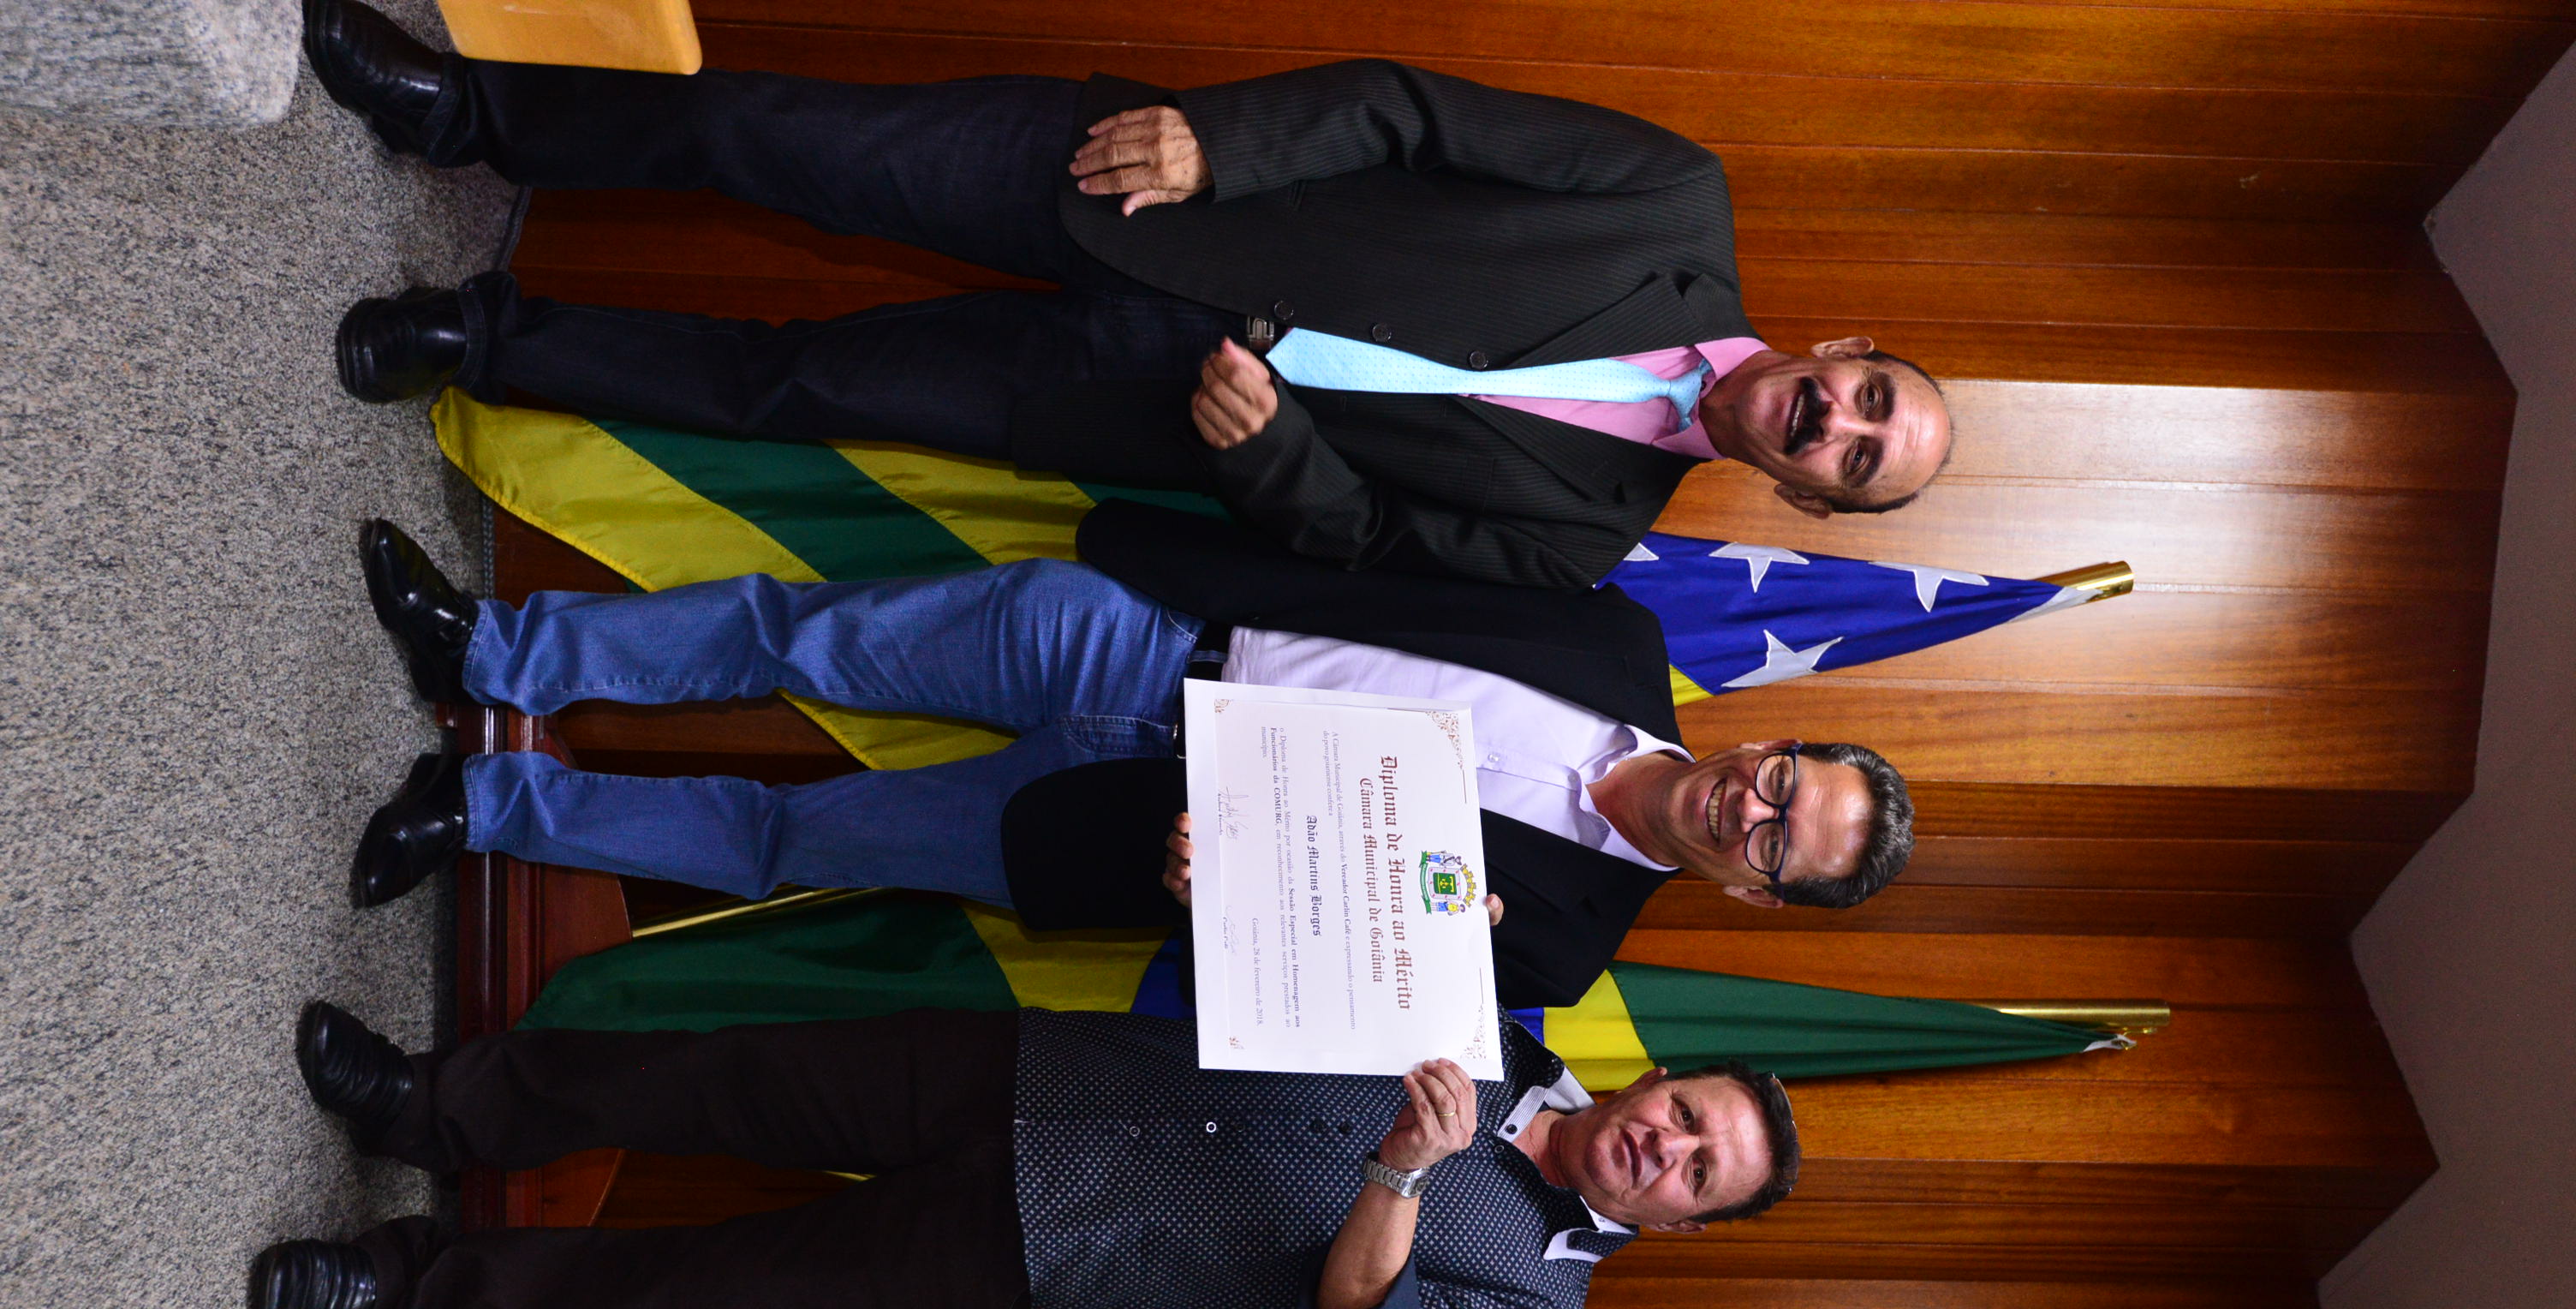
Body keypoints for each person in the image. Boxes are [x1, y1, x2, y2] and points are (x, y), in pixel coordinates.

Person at [301, 0, 1953, 589]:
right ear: (1851, 349)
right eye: (1872, 395)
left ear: (1813, 499)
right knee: (776, 135)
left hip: (1124, 402)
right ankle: (465, 111)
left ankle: (480, 341)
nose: (1838, 421)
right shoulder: (1674, 198)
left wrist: (1270, 452)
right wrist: (1223, 142)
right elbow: (1419, 112)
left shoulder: (1587, 540)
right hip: (1149, 183)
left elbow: (1367, 541)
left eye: (1856, 459)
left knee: (790, 392)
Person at [344, 506, 1915, 1009]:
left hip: (1114, 832)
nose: (1756, 810)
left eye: (1782, 846)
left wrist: (1218, 903)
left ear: (1758, 896)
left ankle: (482, 806)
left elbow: (1320, 991)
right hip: (1151, 641)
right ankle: (495, 652)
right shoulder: (1617, 640)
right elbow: (1393, 554)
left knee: (787, 841)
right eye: (1790, 783)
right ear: (1776, 742)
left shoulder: (1561, 953)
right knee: (804, 632)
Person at [250, 995, 1799, 1309]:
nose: (1666, 1147)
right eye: (1688, 1115)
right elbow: (1282, 960)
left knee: (707, 1286)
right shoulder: (1483, 1006)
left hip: (1053, 1265)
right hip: (1043, 1074)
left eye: (1697, 1172)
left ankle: (408, 1289)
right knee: (715, 1076)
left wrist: (1400, 1174)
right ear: (1659, 1080)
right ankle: (425, 1104)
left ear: (1682, 1225)